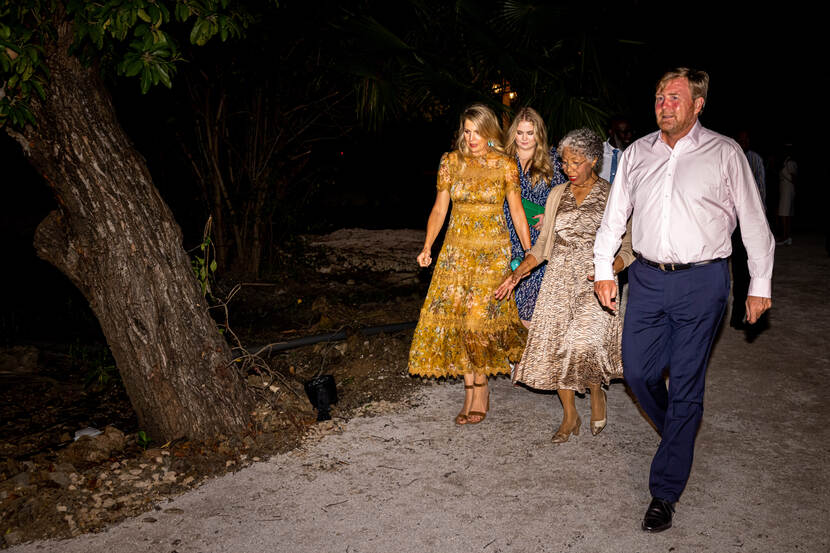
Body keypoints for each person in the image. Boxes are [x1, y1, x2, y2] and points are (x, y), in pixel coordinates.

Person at [593, 68, 774, 533]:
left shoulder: (725, 153)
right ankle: (680, 430)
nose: (664, 104)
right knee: (636, 371)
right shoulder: (636, 153)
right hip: (648, 279)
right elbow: (613, 220)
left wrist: (759, 284)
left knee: (688, 380)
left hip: (703, 282)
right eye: (658, 96)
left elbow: (754, 222)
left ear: (698, 104)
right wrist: (602, 272)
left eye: (675, 97)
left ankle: (664, 492)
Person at [495, 128, 633, 443]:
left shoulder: (613, 195)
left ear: (594, 161)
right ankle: (570, 416)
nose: (568, 169)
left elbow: (629, 247)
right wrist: (517, 274)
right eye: (565, 162)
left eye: (575, 162)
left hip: (594, 283)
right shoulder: (559, 194)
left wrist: (611, 268)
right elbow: (543, 246)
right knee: (558, 350)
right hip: (557, 281)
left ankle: (596, 391)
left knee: (583, 345)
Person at [408, 104, 532, 425]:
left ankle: (481, 388)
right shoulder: (450, 163)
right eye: (466, 130)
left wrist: (531, 250)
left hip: (492, 253)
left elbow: (517, 210)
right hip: (456, 253)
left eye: (477, 131)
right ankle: (469, 391)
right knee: (461, 322)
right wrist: (426, 245)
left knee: (477, 323)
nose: (471, 137)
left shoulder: (505, 165)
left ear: (489, 132)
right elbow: (439, 209)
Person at [502, 107, 567, 325]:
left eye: (530, 133)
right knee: (506, 299)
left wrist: (552, 218)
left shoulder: (553, 162)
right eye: (520, 133)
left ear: (538, 134)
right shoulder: (503, 161)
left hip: (539, 239)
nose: (524, 139)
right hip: (506, 235)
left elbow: (567, 199)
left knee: (532, 304)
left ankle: (529, 355)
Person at [730, 129, 767, 329]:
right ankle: (736, 316)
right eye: (740, 139)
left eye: (746, 139)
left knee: (749, 271)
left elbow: (761, 193)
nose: (743, 142)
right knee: (737, 271)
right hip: (733, 226)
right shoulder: (729, 159)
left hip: (750, 225)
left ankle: (748, 313)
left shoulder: (755, 160)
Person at [599, 115, 634, 184]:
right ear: (611, 132)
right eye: (624, 132)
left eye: (631, 131)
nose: (629, 135)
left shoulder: (633, 155)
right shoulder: (597, 151)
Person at [776, 145, 797, 245]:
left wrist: (784, 172)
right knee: (786, 213)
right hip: (785, 189)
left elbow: (793, 178)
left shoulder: (790, 162)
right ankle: (787, 236)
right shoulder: (786, 162)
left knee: (785, 213)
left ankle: (785, 237)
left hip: (788, 190)